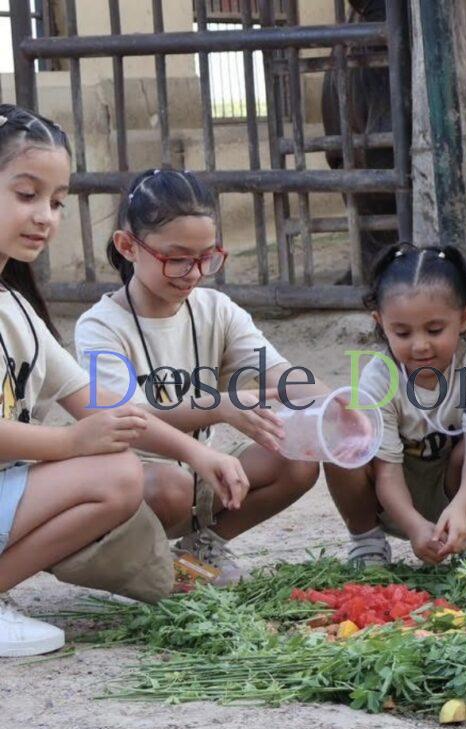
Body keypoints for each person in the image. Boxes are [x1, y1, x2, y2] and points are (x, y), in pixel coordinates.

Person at [0, 106, 248, 656]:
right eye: (26, 195)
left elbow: (103, 405)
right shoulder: (99, 321)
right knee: (112, 472)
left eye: (58, 201)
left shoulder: (15, 305)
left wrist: (195, 452)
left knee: (118, 474)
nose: (46, 215)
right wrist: (68, 443)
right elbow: (83, 429)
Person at [75, 169, 320, 585]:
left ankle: (201, 545)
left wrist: (335, 401)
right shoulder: (99, 326)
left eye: (207, 256)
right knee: (171, 484)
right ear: (127, 246)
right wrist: (220, 406)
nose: (194, 272)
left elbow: (278, 375)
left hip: (199, 476)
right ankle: (142, 561)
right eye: (177, 258)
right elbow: (128, 419)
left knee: (297, 457)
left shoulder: (215, 309)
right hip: (134, 485)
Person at [326, 243, 466, 565]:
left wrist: (463, 508)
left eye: (435, 330)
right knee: (343, 442)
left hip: (460, 496)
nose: (420, 345)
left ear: (465, 317)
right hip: (393, 500)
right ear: (381, 323)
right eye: (402, 332)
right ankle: (367, 542)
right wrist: (413, 526)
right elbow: (386, 472)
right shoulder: (379, 379)